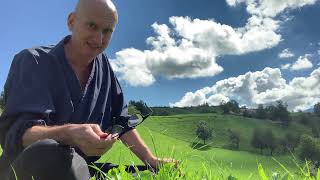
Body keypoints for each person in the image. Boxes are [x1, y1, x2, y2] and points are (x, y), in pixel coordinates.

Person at [0, 0, 176, 179]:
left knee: (146, 173)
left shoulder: (104, 67)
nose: (99, 39)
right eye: (92, 26)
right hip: (28, 165)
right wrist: (69, 134)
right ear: (71, 21)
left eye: (107, 31)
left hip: (82, 167)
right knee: (52, 153)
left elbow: (122, 122)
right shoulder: (33, 61)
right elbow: (20, 135)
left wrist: (151, 160)